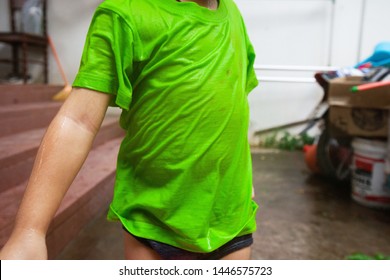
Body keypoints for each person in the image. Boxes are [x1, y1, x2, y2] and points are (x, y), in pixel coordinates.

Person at [0, 0, 259, 260]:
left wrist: (246, 178)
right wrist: (29, 229)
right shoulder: (126, 13)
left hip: (232, 217)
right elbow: (79, 121)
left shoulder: (233, 14)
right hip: (156, 223)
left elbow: (235, 103)